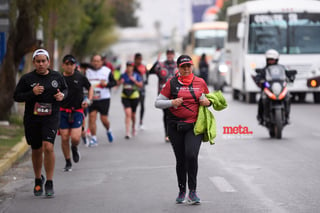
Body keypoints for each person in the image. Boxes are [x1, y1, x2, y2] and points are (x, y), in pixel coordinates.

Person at [155, 55, 211, 204]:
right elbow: (157, 103)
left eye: (188, 66)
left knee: (191, 155)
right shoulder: (171, 83)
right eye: (183, 66)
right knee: (181, 160)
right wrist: (171, 102)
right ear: (178, 68)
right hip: (175, 127)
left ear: (192, 66)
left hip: (194, 126)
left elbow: (209, 99)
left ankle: (193, 191)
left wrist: (208, 102)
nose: (186, 69)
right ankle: (181, 190)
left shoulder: (200, 82)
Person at [13, 49, 68, 197]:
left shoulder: (57, 76)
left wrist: (62, 95)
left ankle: (49, 181)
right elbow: (17, 96)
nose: (41, 64)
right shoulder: (27, 79)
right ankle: (38, 179)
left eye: (44, 61)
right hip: (32, 118)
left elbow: (65, 90)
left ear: (48, 62)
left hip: (51, 117)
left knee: (48, 147)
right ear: (34, 63)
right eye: (38, 61)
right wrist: (32, 93)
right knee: (36, 149)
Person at [59, 55, 93, 171]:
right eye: (67, 64)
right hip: (63, 111)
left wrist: (88, 100)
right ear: (63, 65)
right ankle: (68, 161)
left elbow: (90, 88)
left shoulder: (80, 77)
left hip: (77, 111)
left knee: (75, 138)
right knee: (64, 137)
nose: (69, 66)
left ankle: (74, 147)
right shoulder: (59, 79)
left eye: (71, 64)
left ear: (74, 65)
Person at [86, 54, 117, 146]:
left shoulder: (107, 71)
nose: (96, 63)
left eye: (98, 61)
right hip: (92, 98)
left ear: (102, 62)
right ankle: (94, 138)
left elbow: (114, 82)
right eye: (94, 61)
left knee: (104, 119)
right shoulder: (87, 72)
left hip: (104, 98)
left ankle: (108, 130)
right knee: (92, 117)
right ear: (91, 62)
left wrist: (106, 85)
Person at [149, 48, 178, 142]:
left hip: (176, 94)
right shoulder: (161, 65)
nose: (170, 55)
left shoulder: (178, 66)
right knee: (166, 114)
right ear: (166, 55)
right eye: (168, 54)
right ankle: (167, 134)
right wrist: (156, 61)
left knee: (176, 114)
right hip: (164, 94)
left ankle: (175, 133)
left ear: (173, 55)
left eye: (171, 54)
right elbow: (150, 71)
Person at [256, 49, 292, 124]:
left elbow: (288, 74)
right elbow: (258, 77)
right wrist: (259, 80)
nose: (271, 61)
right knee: (261, 100)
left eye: (272, 60)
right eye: (269, 60)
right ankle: (261, 117)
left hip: (279, 88)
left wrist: (291, 77)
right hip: (268, 88)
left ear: (276, 60)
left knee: (288, 97)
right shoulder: (264, 69)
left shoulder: (282, 68)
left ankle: (287, 116)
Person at [118, 61, 143, 139]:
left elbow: (141, 85)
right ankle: (127, 132)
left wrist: (134, 81)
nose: (129, 68)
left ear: (133, 67)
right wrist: (120, 82)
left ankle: (133, 127)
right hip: (125, 96)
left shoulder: (136, 75)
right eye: (128, 66)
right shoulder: (123, 75)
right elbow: (117, 83)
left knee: (133, 115)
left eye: (131, 66)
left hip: (134, 96)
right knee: (128, 113)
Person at [133, 53, 148, 129]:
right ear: (135, 59)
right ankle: (133, 122)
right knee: (134, 106)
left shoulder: (143, 67)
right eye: (138, 59)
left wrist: (145, 81)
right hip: (133, 89)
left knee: (142, 105)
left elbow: (146, 76)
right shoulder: (132, 67)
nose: (139, 60)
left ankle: (141, 121)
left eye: (140, 59)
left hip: (142, 89)